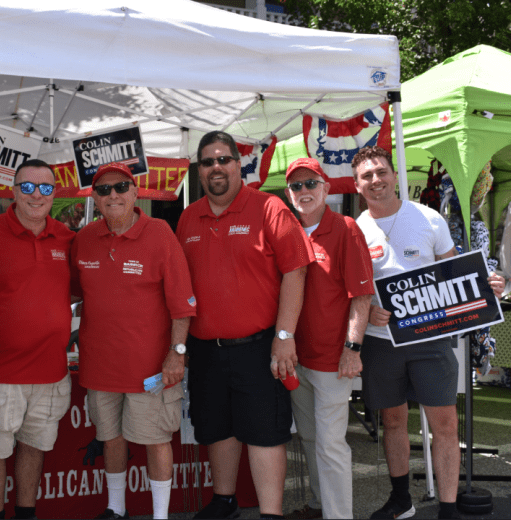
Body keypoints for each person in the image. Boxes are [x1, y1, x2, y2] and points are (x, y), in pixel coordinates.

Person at [352, 146, 505, 520]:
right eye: (366, 176)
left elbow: (454, 273)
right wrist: (368, 309)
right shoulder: (355, 229)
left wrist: (487, 286)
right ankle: (401, 499)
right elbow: (351, 288)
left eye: (381, 172)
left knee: (445, 423)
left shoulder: (429, 218)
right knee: (392, 420)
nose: (376, 180)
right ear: (357, 185)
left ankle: (448, 508)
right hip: (380, 341)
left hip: (431, 339)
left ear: (394, 175)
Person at [176, 131, 315, 520]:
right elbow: (178, 288)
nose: (216, 167)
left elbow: (296, 271)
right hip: (205, 349)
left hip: (260, 346)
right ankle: (225, 501)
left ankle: (270, 513)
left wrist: (284, 336)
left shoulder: (269, 208)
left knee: (264, 432)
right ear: (199, 170)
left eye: (224, 159)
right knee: (216, 427)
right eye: (208, 162)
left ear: (238, 164)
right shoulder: (188, 217)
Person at [70, 162, 196, 520]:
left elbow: (182, 304)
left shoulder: (159, 233)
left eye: (121, 187)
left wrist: (177, 353)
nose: (114, 195)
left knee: (156, 440)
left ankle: (160, 515)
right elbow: (71, 294)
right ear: (95, 197)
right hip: (99, 365)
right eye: (105, 189)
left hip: (151, 368)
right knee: (110, 438)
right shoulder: (85, 239)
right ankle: (116, 508)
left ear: (135, 192)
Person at [0, 158, 76, 520]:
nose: (36, 195)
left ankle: (26, 514)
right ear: (13, 191)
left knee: (34, 448)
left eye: (44, 188)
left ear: (54, 193)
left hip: (51, 373)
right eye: (27, 187)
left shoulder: (68, 239)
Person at [282, 158, 373, 520]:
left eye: (310, 183)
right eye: (296, 186)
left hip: (332, 360)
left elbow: (361, 296)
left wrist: (352, 348)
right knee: (308, 438)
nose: (304, 191)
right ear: (289, 194)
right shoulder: (288, 230)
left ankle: (339, 516)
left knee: (331, 444)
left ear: (326, 187)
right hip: (296, 357)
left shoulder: (346, 228)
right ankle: (321, 507)